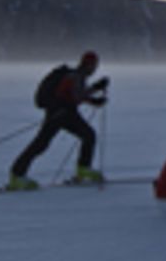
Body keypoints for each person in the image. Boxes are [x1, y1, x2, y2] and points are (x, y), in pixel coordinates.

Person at [7, 51, 110, 190]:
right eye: (94, 65)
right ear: (89, 65)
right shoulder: (73, 76)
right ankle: (17, 175)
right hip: (61, 114)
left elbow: (76, 94)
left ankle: (17, 174)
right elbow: (71, 96)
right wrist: (94, 97)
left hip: (62, 114)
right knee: (45, 143)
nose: (94, 68)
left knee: (83, 136)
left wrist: (95, 93)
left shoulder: (77, 76)